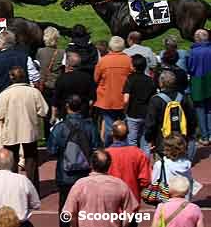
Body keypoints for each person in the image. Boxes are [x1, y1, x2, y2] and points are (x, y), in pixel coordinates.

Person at [47, 95, 102, 226]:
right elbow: (97, 148)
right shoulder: (90, 126)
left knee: (65, 207)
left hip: (65, 174)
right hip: (85, 174)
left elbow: (52, 150)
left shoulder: (60, 128)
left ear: (67, 107)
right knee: (86, 207)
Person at [0, 67, 48, 192]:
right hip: (29, 130)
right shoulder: (33, 92)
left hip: (11, 131)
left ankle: (14, 189)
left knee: (12, 162)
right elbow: (44, 111)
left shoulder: (5, 94)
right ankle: (33, 189)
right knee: (31, 161)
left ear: (11, 78)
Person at [62, 150, 139, 227]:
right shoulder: (120, 185)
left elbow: (70, 213)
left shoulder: (80, 185)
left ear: (91, 165)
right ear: (109, 165)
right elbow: (130, 212)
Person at [145, 71, 197, 155]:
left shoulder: (155, 100)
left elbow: (151, 123)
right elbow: (192, 119)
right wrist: (189, 134)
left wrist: (149, 138)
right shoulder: (183, 98)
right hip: (180, 140)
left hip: (162, 141)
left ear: (161, 83)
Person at [94, 36, 132, 146]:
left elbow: (96, 78)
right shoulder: (128, 60)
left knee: (109, 126)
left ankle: (108, 147)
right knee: (123, 125)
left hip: (107, 98)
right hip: (123, 99)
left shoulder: (103, 61)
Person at [0, 31, 40, 103]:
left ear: (2, 42)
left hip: (2, 98)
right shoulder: (25, 57)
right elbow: (35, 78)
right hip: (23, 98)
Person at [106, 121, 151, 202]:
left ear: (112, 133)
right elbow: (145, 179)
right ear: (128, 133)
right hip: (132, 197)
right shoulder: (138, 153)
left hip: (110, 198)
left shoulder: (105, 154)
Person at [123, 54, 157, 155]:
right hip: (146, 114)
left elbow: (126, 99)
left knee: (132, 141)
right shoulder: (150, 80)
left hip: (133, 114)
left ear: (133, 66)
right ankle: (145, 164)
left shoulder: (130, 79)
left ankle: (132, 163)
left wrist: (125, 111)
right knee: (145, 142)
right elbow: (153, 98)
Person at [35, 27, 65, 138]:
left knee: (47, 112)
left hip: (45, 85)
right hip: (57, 85)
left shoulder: (40, 52)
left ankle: (48, 136)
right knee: (59, 111)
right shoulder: (62, 53)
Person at [52, 53, 96, 120]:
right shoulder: (88, 77)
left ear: (67, 64)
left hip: (66, 112)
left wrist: (53, 115)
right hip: (83, 112)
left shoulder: (62, 78)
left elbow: (55, 99)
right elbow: (91, 99)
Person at [187, 29, 211, 146]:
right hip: (209, 82)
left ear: (197, 38)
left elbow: (190, 68)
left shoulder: (193, 52)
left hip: (198, 83)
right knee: (209, 109)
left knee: (200, 110)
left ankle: (205, 136)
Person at [151, 134, 194, 200]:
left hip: (165, 200)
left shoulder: (160, 164)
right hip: (184, 199)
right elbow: (190, 182)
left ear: (166, 148)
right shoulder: (187, 163)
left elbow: (154, 182)